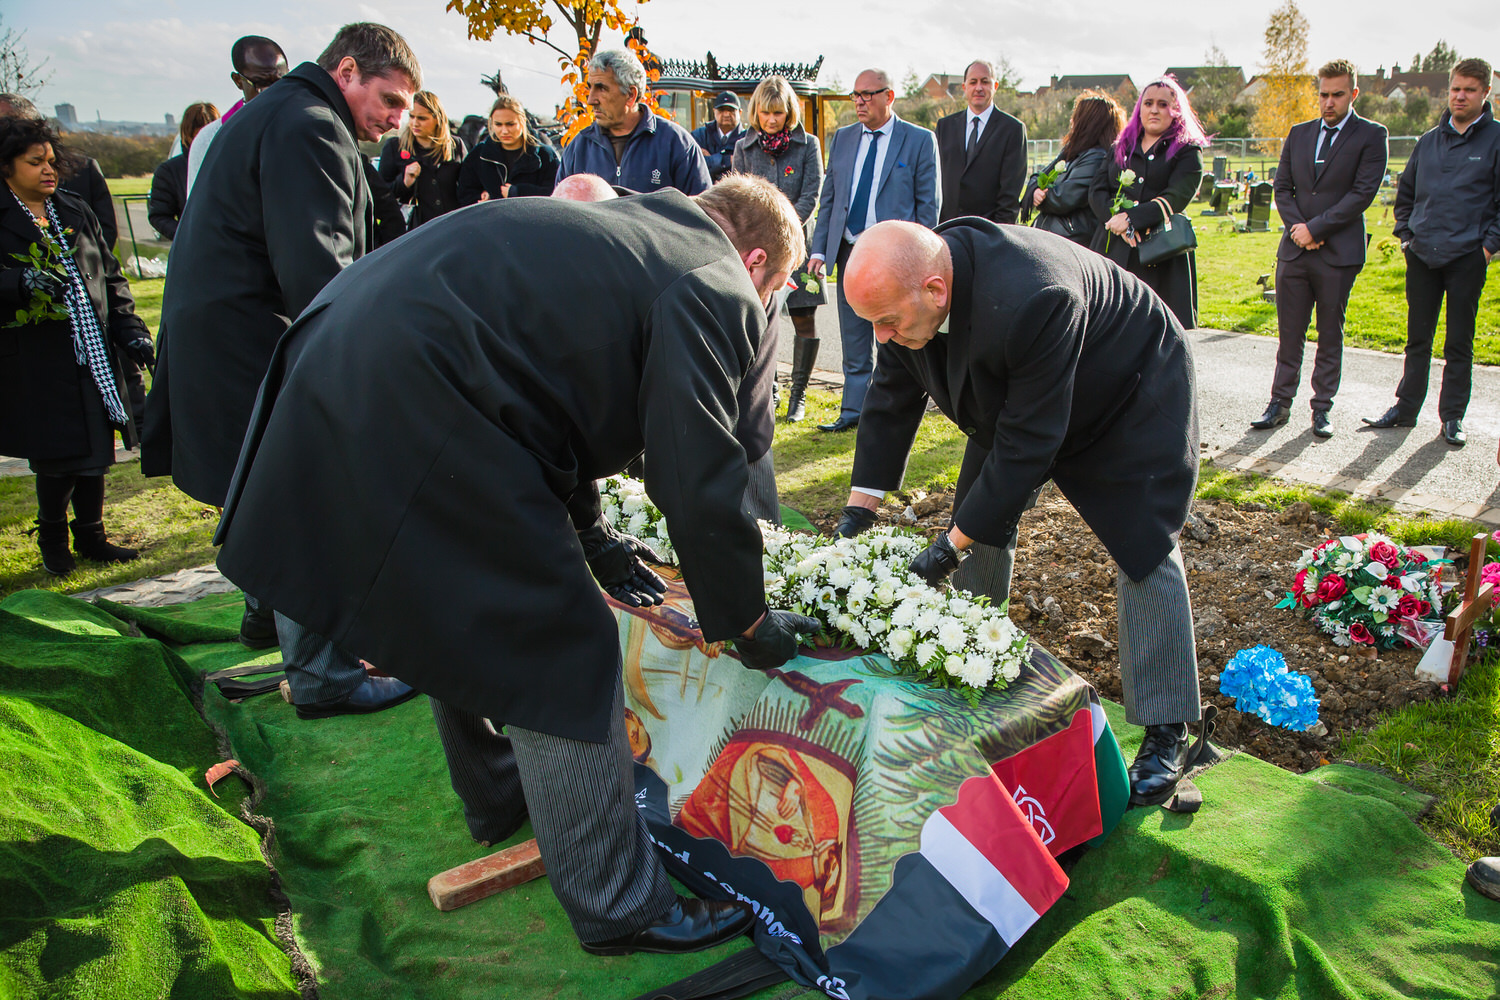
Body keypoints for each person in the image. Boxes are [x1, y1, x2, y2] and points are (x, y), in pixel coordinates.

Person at [212, 175, 816, 956]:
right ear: (758, 260)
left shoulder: (630, 234)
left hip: (342, 358)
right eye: (772, 291)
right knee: (561, 646)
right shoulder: (715, 276)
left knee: (456, 611)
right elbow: (697, 474)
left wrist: (592, 534)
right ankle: (620, 907)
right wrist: (744, 619)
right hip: (422, 393)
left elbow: (547, 394)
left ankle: (500, 792)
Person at [832, 219, 1203, 808]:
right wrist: (860, 509)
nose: (880, 336)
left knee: (1144, 545)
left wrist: (946, 548)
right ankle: (971, 666)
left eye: (887, 322)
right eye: (870, 322)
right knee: (981, 516)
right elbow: (890, 401)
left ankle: (1169, 731)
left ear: (935, 290)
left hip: (1125, 386)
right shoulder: (908, 306)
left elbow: (1029, 445)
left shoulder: (1035, 295)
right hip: (1023, 393)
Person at [142, 22, 421, 719]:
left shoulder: (277, 113)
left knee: (261, 484)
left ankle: (266, 614)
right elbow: (321, 274)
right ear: (348, 70)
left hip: (223, 337)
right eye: (389, 99)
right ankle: (324, 674)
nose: (397, 121)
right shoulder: (310, 126)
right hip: (252, 343)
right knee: (308, 491)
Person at [0, 118, 155, 575]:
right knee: (58, 453)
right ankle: (52, 533)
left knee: (95, 446)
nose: (50, 170)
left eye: (52, 161)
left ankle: (91, 535)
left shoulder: (72, 209)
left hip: (93, 352)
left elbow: (110, 276)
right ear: (6, 166)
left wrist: (131, 330)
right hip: (37, 359)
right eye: (36, 162)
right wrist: (17, 282)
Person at [1364, 57, 1500, 448]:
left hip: (1467, 259)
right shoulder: (1428, 141)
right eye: (1456, 88)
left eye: (1470, 90)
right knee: (1417, 338)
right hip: (1422, 255)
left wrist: (1487, 249)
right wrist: (1406, 237)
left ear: (1485, 93)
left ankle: (1452, 417)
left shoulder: (1495, 141)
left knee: (1459, 341)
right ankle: (1406, 409)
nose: (1460, 96)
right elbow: (1405, 196)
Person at [1250, 60, 1387, 438]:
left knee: (1330, 333)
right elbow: (1282, 187)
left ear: (1353, 94)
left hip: (1337, 253)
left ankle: (1321, 409)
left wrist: (1318, 228)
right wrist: (1299, 230)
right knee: (1289, 335)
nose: (1328, 102)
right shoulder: (1299, 133)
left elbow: (1362, 193)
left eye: (1337, 95)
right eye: (1323, 94)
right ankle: (1279, 404)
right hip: (1294, 251)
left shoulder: (1372, 135)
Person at [808, 67, 939, 433]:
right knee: (853, 336)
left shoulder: (918, 140)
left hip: (895, 257)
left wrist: (920, 260)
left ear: (889, 96)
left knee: (893, 337)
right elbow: (830, 200)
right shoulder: (844, 138)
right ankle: (852, 413)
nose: (860, 101)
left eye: (868, 94)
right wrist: (820, 250)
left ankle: (891, 414)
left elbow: (928, 208)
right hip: (851, 253)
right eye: (856, 95)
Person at [732, 75, 825, 422]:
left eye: (779, 113)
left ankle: (798, 395)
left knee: (804, 317)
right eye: (766, 113)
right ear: (756, 112)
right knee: (759, 318)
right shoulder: (745, 147)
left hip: (798, 244)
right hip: (759, 250)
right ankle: (767, 387)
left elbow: (811, 194)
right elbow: (740, 197)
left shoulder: (808, 145)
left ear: (790, 113)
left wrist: (785, 231)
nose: (772, 120)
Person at [1089, 76, 1209, 329]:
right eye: (1148, 103)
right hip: (1113, 250)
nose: (1154, 109)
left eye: (1163, 104)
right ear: (1139, 108)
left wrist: (1133, 219)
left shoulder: (1188, 150)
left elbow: (1177, 195)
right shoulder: (1120, 146)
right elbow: (1097, 190)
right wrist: (1117, 221)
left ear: (1176, 110)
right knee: (1105, 330)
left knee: (1152, 333)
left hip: (1159, 256)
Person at [557, 48, 710, 195]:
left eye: (601, 88)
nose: (590, 100)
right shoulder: (578, 149)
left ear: (630, 95)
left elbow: (703, 213)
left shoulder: (677, 144)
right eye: (590, 88)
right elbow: (560, 212)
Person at [185, 36, 290, 196]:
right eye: (261, 84)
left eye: (279, 82)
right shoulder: (210, 138)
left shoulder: (302, 125)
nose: (272, 92)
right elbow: (199, 206)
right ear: (238, 81)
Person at [1020, 89, 1125, 247]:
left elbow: (1065, 198)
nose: (1071, 121)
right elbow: (1040, 176)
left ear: (1088, 122)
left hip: (1070, 242)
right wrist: (1035, 189)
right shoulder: (1071, 153)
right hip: (1054, 238)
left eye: (1076, 116)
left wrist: (1041, 198)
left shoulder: (1097, 158)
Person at [936, 59, 1027, 224]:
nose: (978, 87)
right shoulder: (945, 126)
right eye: (973, 82)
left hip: (988, 233)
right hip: (947, 229)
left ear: (995, 86)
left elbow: (1010, 194)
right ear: (964, 87)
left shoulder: (1012, 129)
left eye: (985, 82)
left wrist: (998, 236)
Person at [379, 90, 467, 229]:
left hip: (453, 228)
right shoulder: (394, 147)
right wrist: (404, 182)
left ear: (437, 118)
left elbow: (468, 188)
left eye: (422, 118)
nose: (415, 123)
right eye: (412, 117)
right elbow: (381, 195)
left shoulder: (456, 146)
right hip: (416, 232)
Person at [457, 94, 559, 205]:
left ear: (522, 121)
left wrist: (518, 192)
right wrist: (480, 198)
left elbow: (556, 193)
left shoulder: (545, 156)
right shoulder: (479, 156)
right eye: (498, 124)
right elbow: (464, 194)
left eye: (510, 124)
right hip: (491, 221)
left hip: (531, 221)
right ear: (491, 123)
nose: (504, 131)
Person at [148, 102, 221, 240]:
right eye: (198, 137)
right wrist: (189, 237)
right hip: (196, 249)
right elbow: (159, 216)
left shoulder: (231, 163)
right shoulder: (170, 171)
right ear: (187, 135)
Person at [692, 91, 747, 184]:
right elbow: (694, 167)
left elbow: (746, 171)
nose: (726, 114)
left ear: (740, 112)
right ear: (714, 111)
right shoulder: (699, 135)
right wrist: (728, 160)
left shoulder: (747, 138)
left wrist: (711, 161)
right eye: (721, 110)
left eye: (731, 110)